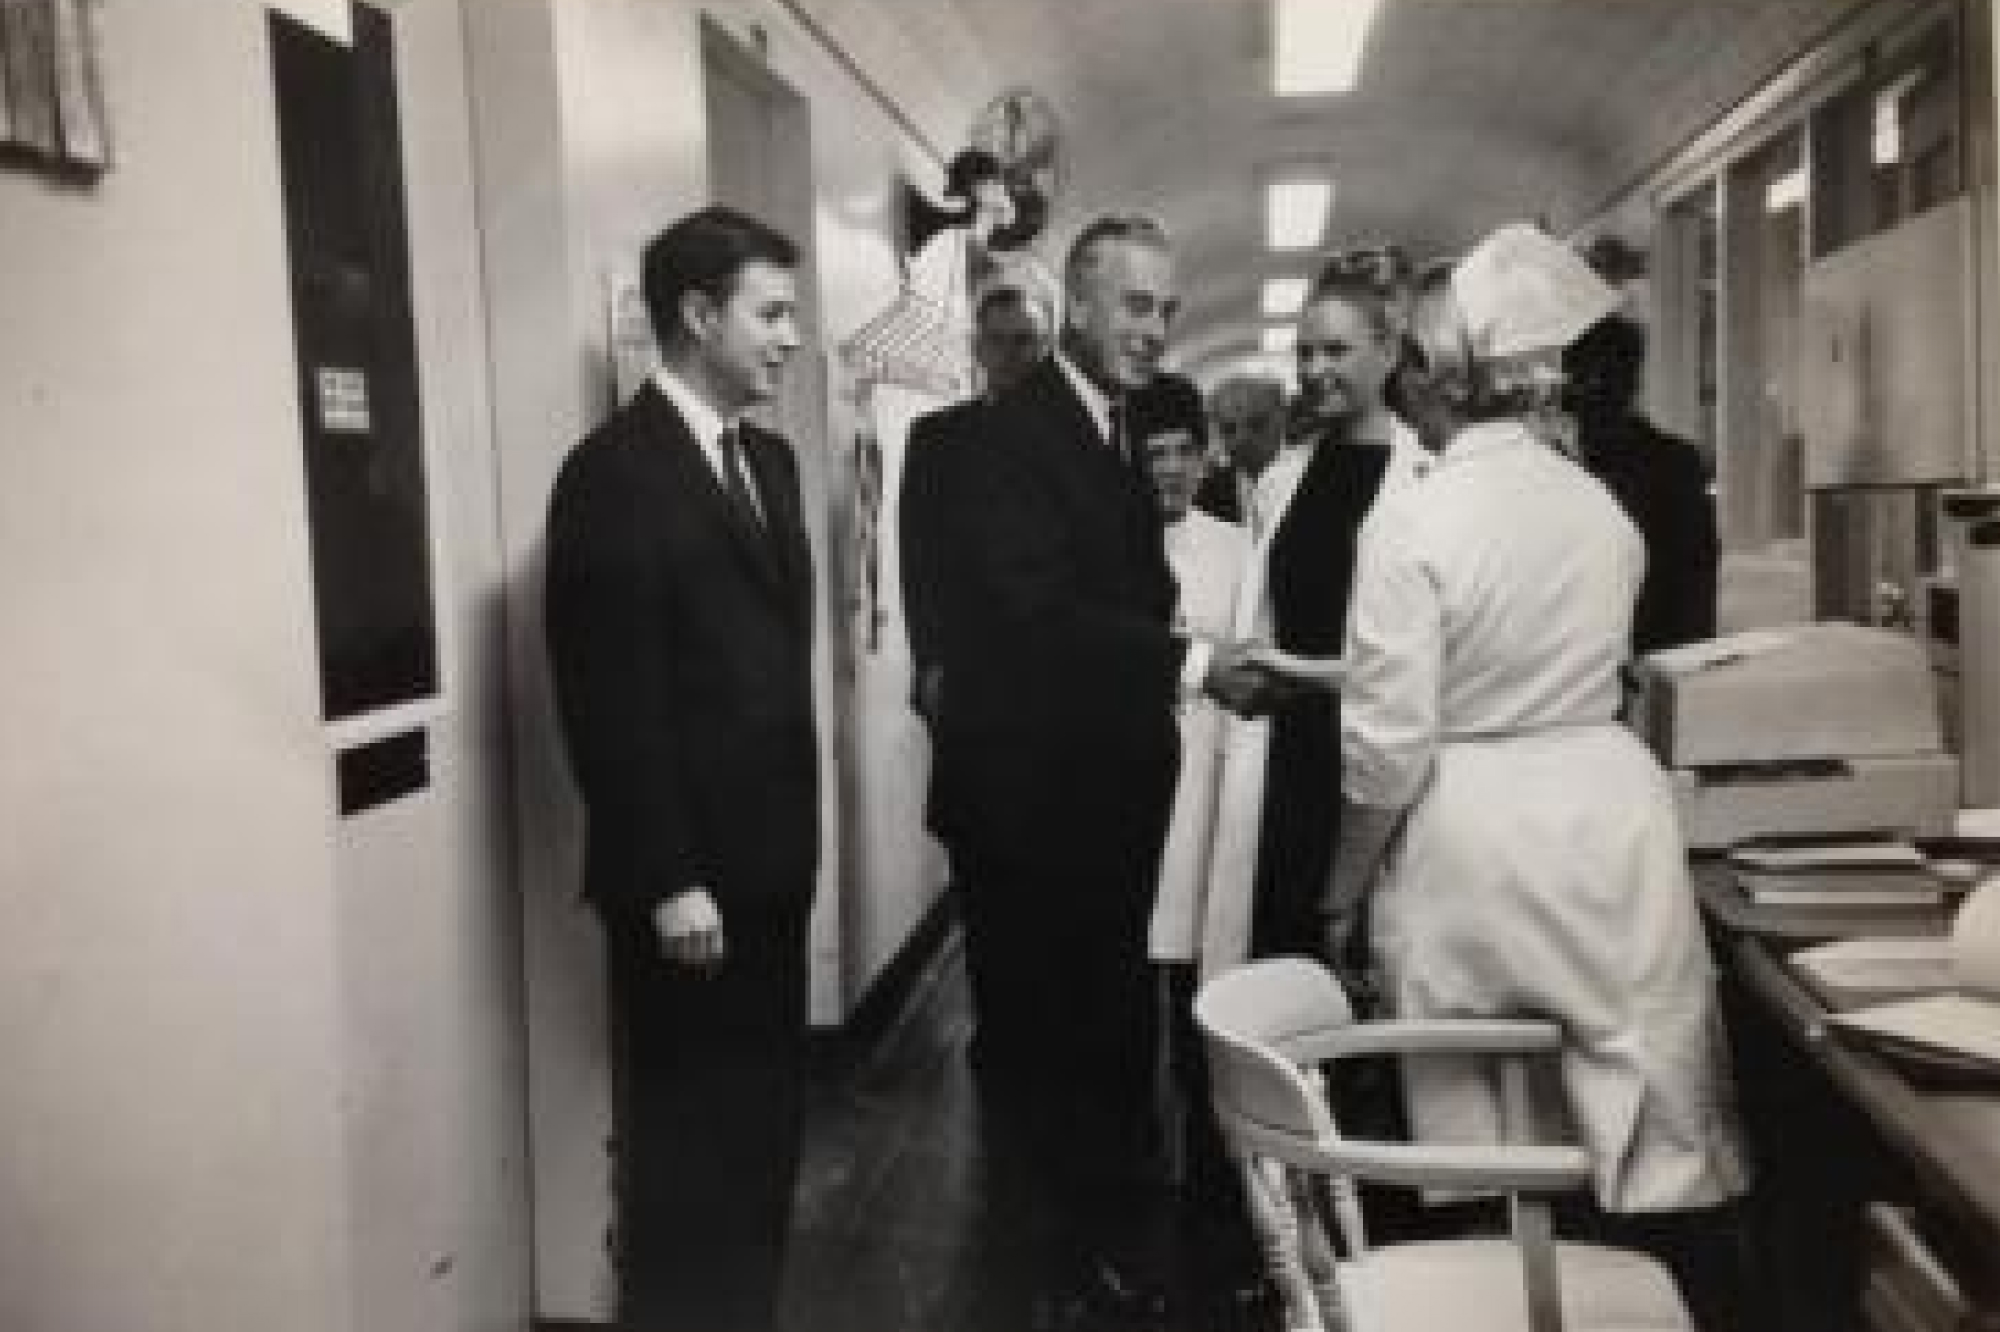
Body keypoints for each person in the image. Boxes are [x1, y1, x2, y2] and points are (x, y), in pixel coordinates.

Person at [1327, 224, 1749, 1320]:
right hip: (1607, 821)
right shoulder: (1593, 506)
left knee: (1489, 1145)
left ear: (1428, 378)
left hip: (1470, 838)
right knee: (1628, 1116)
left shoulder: (1412, 521)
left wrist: (1336, 895)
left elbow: (1385, 750)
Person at [934, 212, 1264, 1322]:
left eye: (1167, 310)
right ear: (1075, 305)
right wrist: (1199, 661)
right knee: (1049, 1057)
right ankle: (1041, 1283)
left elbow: (1121, 595)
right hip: (1040, 820)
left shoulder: (1108, 430)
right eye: (1135, 305)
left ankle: (1084, 1265)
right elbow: (1037, 618)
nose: (1154, 329)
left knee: (1096, 1048)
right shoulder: (1008, 439)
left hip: (1100, 809)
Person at [544, 206, 816, 1332]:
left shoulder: (773, 461)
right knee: (684, 1156)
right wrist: (667, 878)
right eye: (772, 312)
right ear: (697, 314)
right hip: (690, 892)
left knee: (761, 1138)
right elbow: (609, 697)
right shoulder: (610, 474)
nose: (791, 337)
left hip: (772, 868)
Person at [1203, 254, 1430, 975]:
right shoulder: (1280, 480)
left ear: (1389, 351)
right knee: (1285, 959)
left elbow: (1419, 661)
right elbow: (1260, 616)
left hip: (1384, 756)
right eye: (1305, 352)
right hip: (1290, 757)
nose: (1315, 368)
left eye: (1337, 350)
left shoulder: (1429, 483)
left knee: (1375, 965)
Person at [897, 276, 1054, 1079]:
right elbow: (918, 565)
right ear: (976, 350)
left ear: (1048, 344)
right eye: (998, 342)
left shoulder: (1085, 437)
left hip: (1064, 701)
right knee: (984, 865)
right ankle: (1001, 1030)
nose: (1013, 357)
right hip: (977, 701)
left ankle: (1056, 1026)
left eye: (1026, 342)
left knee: (1059, 874)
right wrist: (929, 667)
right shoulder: (939, 440)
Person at [1563, 311, 1720, 654]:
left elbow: (1695, 591)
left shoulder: (1674, 464)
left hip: (1638, 661)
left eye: (1603, 377)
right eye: (1585, 377)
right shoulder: (1677, 462)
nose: (1592, 391)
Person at [1193, 374, 1287, 525]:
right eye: (1229, 429)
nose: (1242, 439)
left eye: (1257, 424)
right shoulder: (1206, 496)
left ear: (1282, 418)